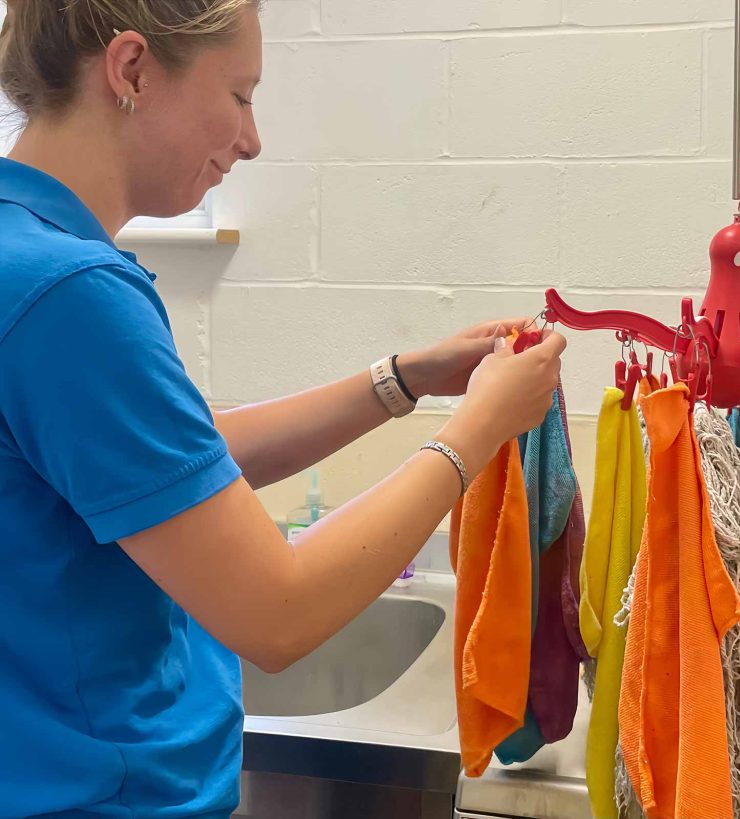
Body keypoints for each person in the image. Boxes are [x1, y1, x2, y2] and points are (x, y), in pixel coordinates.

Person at [0, 1, 566, 816]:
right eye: (239, 95)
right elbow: (280, 610)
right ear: (130, 71)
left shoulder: (24, 252)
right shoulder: (70, 298)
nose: (252, 138)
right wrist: (478, 427)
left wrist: (403, 379)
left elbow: (167, 464)